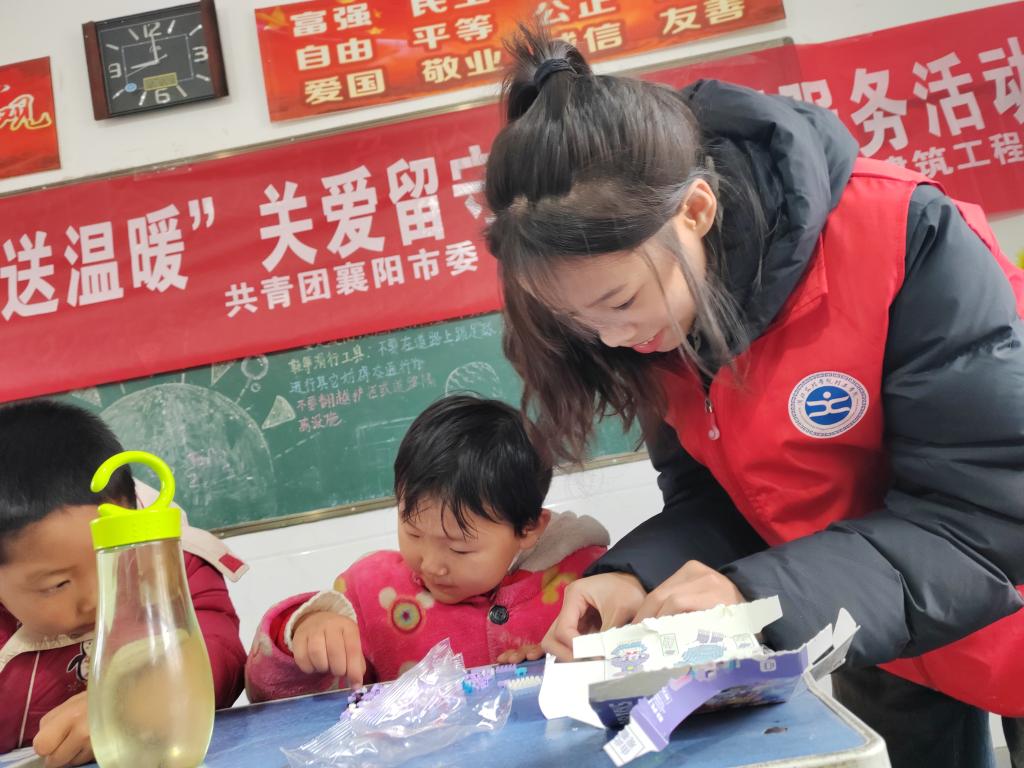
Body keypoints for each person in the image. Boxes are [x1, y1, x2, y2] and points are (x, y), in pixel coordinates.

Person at [482, 25, 1024, 768]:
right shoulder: (657, 331)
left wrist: (751, 596)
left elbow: (987, 516)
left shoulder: (902, 235)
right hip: (875, 628)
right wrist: (633, 576)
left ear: (696, 210)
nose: (611, 337)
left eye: (619, 302)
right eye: (576, 322)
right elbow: (729, 499)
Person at [245, 394, 608, 701]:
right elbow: (268, 697)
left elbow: (627, 666)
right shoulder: (368, 592)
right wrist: (303, 633)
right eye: (413, 534)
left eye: (460, 549)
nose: (432, 565)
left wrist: (555, 667)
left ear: (528, 529)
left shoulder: (584, 584)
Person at [0, 400, 248, 766]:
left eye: (113, 562)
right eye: (58, 584)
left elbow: (221, 652)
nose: (98, 598)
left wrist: (126, 707)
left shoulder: (170, 563)